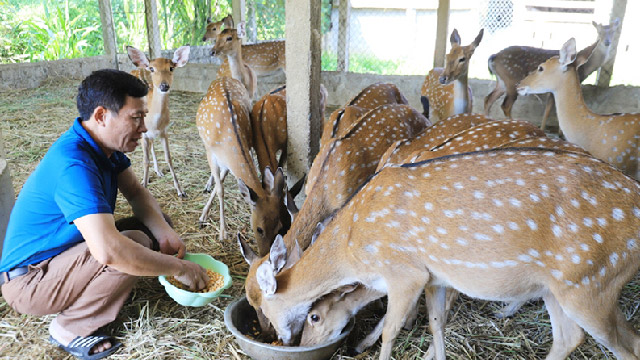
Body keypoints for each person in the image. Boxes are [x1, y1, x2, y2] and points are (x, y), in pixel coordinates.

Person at [0, 69, 208, 360]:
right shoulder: (74, 163)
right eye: (135, 118)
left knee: (150, 232)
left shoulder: (103, 147)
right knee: (129, 245)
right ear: (100, 116)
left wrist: (164, 232)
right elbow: (110, 251)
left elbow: (136, 193)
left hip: (60, 255)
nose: (144, 127)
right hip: (30, 281)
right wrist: (180, 269)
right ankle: (70, 328)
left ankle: (98, 291)